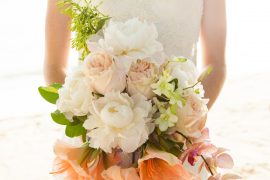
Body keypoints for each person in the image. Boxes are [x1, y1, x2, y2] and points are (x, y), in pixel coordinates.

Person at [44, 0, 227, 178]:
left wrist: (183, 122)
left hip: (175, 141)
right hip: (98, 140)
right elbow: (54, 66)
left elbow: (215, 65)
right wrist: (97, 127)